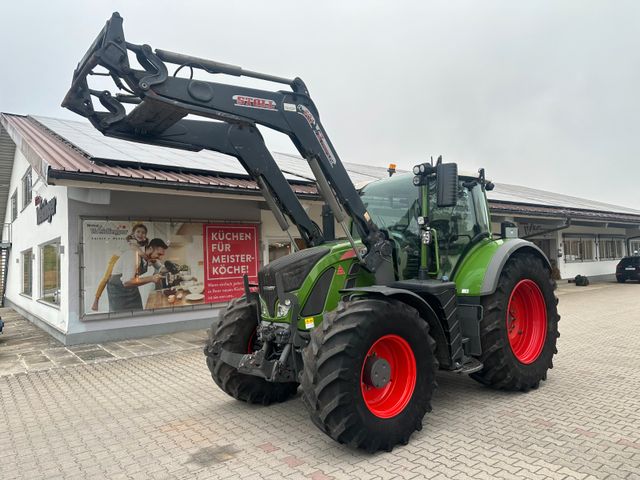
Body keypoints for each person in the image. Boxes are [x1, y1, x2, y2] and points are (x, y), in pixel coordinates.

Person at [91, 223, 149, 311]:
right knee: (106, 278)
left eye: (143, 232)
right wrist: (147, 258)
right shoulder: (132, 242)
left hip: (124, 265)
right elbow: (140, 253)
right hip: (116, 258)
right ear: (133, 233)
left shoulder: (139, 244)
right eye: (138, 231)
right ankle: (96, 301)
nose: (141, 234)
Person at [106, 238, 169, 312]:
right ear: (151, 248)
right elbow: (127, 282)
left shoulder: (148, 256)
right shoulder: (132, 255)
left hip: (131, 288)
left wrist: (171, 267)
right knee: (122, 317)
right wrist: (151, 278)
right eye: (159, 254)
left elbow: (161, 268)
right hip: (118, 290)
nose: (160, 258)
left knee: (138, 313)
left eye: (162, 255)